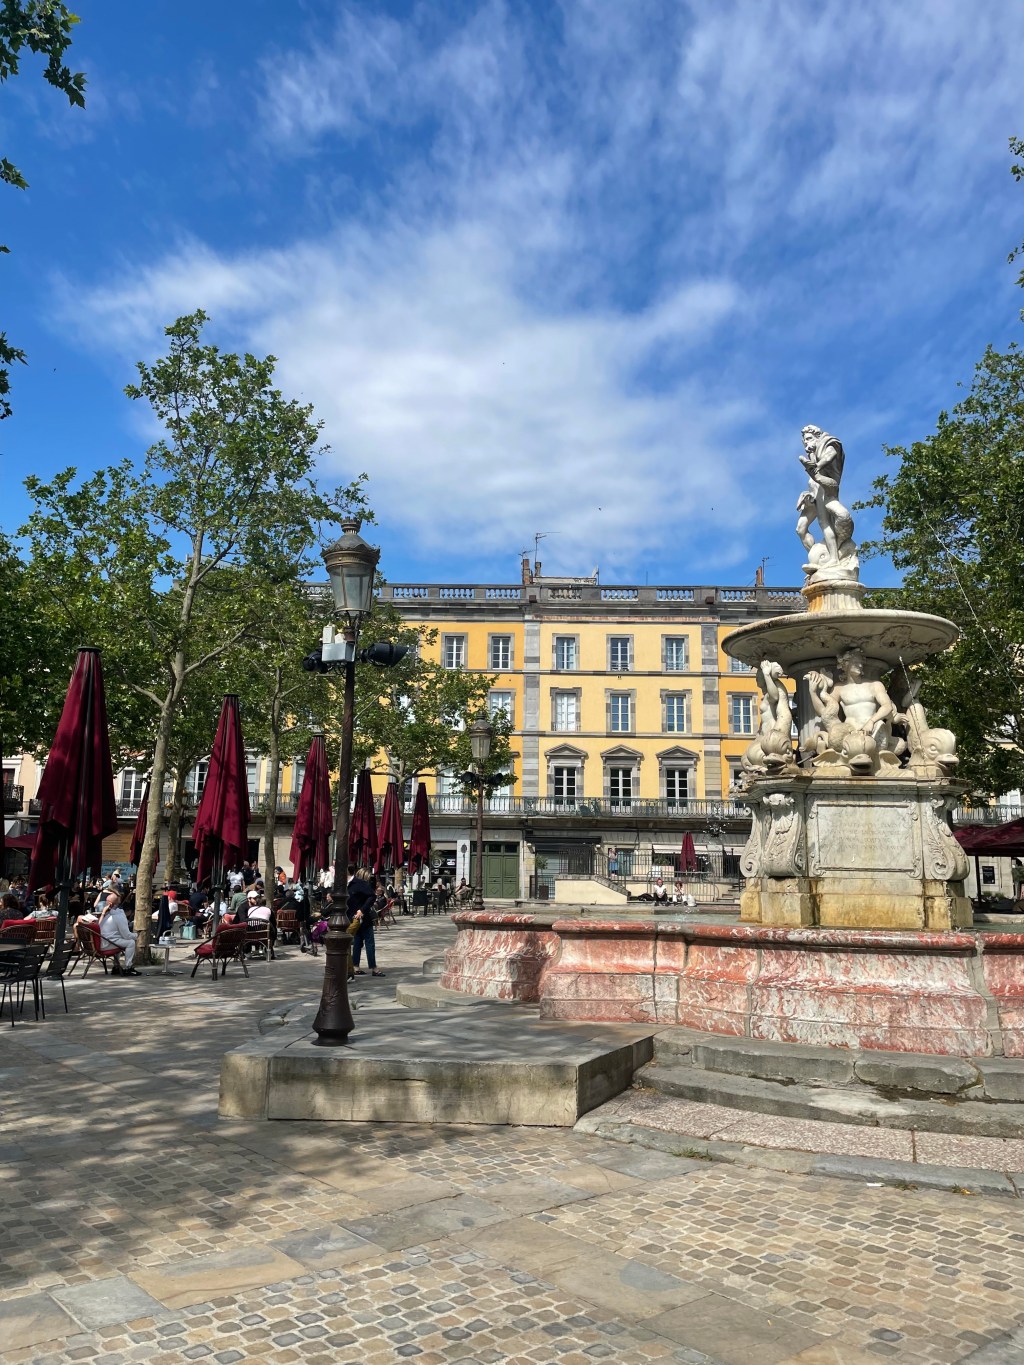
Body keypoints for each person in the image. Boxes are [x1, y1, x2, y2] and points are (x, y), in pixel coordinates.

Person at [348, 864, 383, 976]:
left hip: (355, 918)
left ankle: (355, 966)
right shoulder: (361, 885)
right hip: (363, 918)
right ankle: (373, 967)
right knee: (369, 943)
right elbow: (372, 896)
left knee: (358, 943)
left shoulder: (350, 885)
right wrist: (362, 910)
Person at [99, 890, 138, 973]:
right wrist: (136, 935)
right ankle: (128, 967)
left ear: (109, 904)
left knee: (119, 940)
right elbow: (126, 935)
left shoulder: (107, 914)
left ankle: (116, 966)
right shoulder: (119, 915)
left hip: (103, 941)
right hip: (106, 944)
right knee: (131, 943)